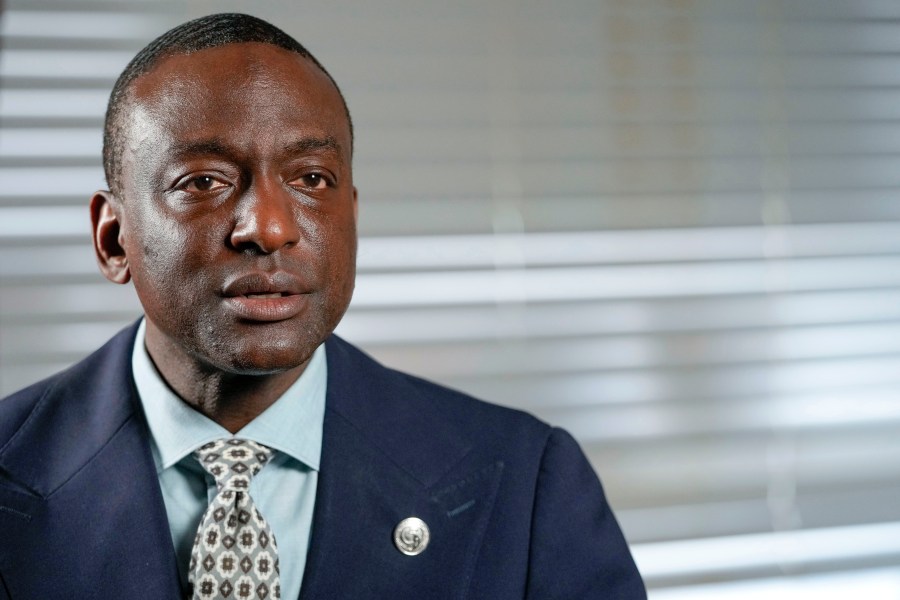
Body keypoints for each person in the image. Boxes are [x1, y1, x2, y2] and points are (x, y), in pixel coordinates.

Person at [0, 13, 645, 600]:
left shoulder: (527, 485)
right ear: (113, 239)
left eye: (312, 180)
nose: (270, 227)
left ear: (352, 218)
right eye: (204, 182)